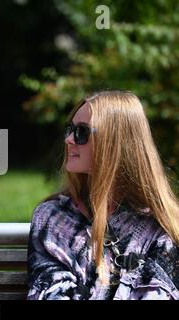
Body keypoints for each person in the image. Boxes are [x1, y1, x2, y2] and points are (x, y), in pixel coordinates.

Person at [27, 90, 179, 300]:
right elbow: (49, 293)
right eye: (69, 130)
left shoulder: (161, 224)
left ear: (115, 142)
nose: (69, 140)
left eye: (82, 132)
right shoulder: (54, 218)